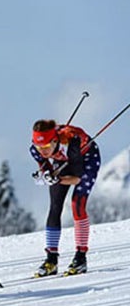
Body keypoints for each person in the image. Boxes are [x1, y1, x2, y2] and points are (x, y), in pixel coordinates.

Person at [30, 119, 101, 277]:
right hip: (62, 160)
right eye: (39, 147)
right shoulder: (37, 150)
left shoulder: (72, 147)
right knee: (55, 206)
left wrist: (57, 179)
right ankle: (51, 259)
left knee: (77, 204)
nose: (43, 151)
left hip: (86, 158)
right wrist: (45, 174)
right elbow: (44, 165)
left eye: (47, 147)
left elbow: (77, 178)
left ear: (55, 141)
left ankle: (80, 258)